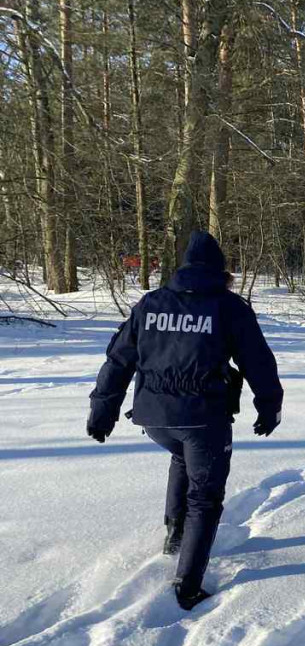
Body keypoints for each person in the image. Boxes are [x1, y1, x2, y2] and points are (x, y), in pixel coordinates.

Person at [87, 231, 283, 611]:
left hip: (156, 419)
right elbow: (257, 361)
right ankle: (188, 585)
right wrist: (269, 405)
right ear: (221, 270)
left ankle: (175, 537)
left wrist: (102, 411)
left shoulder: (151, 303)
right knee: (205, 500)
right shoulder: (229, 307)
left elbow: (118, 360)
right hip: (202, 419)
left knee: (181, 457)